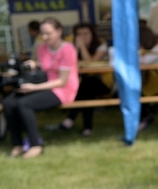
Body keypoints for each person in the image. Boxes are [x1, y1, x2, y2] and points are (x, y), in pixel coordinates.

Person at [3, 18, 79, 158]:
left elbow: (62, 81)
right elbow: (44, 69)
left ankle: (35, 144)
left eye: (48, 33)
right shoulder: (42, 48)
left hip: (62, 90)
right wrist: (34, 65)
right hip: (43, 85)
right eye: (42, 34)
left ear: (59, 31)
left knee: (24, 103)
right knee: (8, 102)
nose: (44, 37)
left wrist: (34, 88)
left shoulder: (68, 49)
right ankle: (17, 144)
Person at [50, 22, 110, 136]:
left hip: (103, 82)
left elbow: (91, 63)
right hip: (82, 83)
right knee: (85, 89)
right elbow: (68, 62)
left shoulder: (101, 44)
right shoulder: (70, 45)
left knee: (87, 85)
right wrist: (76, 48)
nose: (82, 37)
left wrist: (82, 46)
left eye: (85, 34)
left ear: (93, 34)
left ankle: (70, 120)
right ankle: (86, 127)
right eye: (79, 34)